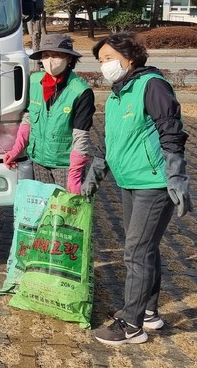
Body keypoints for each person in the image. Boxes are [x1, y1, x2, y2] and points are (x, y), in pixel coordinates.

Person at [82, 32, 192, 345]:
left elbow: (171, 129)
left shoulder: (151, 85)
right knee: (145, 250)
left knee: (136, 253)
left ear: (131, 58)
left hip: (153, 183)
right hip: (130, 182)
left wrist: (176, 173)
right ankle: (148, 313)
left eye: (109, 58)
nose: (105, 65)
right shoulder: (118, 93)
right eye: (101, 60)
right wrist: (96, 172)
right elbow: (111, 140)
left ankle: (131, 326)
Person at [3, 34, 95, 193]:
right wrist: (16, 150)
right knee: (44, 210)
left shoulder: (81, 91)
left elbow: (81, 135)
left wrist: (75, 174)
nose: (50, 60)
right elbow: (29, 118)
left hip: (65, 164)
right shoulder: (34, 82)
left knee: (65, 214)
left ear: (69, 59)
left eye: (57, 55)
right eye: (46, 55)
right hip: (39, 161)